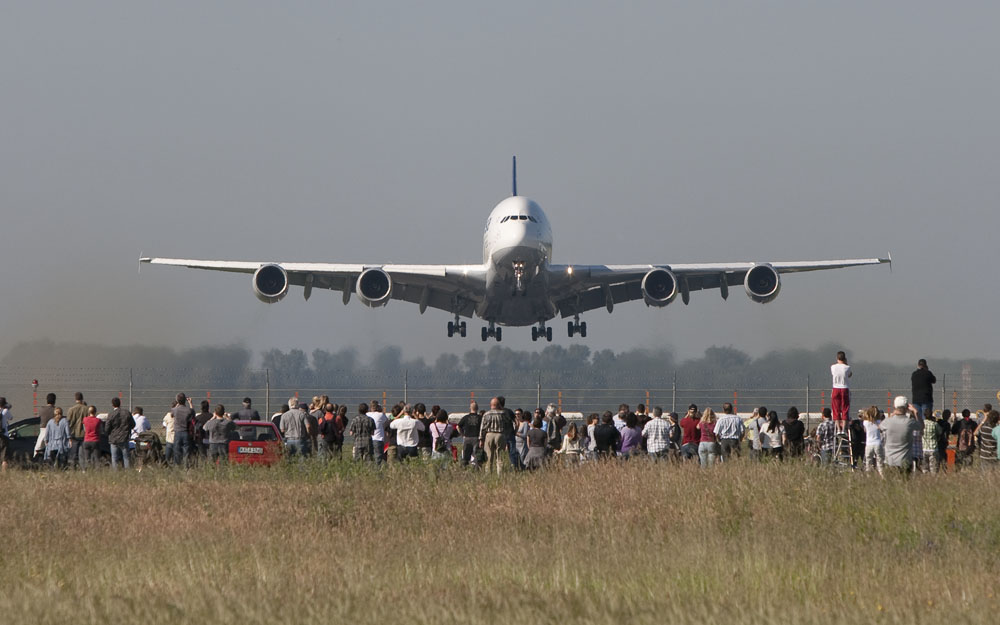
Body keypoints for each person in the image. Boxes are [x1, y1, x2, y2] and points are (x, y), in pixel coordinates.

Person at [882, 396, 923, 475]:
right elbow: (921, 426)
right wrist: (915, 412)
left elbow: (880, 427)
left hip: (890, 461)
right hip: (905, 461)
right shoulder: (909, 422)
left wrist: (893, 414)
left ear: (894, 406)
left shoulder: (888, 422)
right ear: (907, 408)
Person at [478, 397, 513, 475]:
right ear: (499, 405)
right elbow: (509, 424)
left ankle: (488, 474)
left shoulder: (486, 414)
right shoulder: (503, 413)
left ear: (491, 405)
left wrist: (481, 439)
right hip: (500, 435)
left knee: (489, 457)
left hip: (489, 435)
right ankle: (499, 474)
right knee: (499, 457)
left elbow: (482, 428)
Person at [106, 397, 135, 470]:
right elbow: (133, 424)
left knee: (114, 458)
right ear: (120, 403)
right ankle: (127, 471)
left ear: (112, 405)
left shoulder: (111, 414)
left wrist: (110, 433)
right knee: (126, 457)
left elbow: (107, 428)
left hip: (114, 439)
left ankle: (115, 473)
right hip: (124, 438)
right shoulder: (127, 413)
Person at [830, 351, 852, 432]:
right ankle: (843, 429)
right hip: (844, 388)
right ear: (845, 358)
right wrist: (846, 364)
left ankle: (838, 429)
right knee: (845, 409)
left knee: (835, 409)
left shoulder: (833, 367)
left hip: (835, 388)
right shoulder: (847, 367)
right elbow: (850, 375)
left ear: (837, 358)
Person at [172, 393, 195, 467]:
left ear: (177, 401)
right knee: (186, 451)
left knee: (177, 450)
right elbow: (193, 413)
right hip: (186, 432)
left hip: (177, 432)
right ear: (185, 400)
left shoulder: (175, 410)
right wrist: (190, 403)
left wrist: (177, 404)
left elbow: (171, 414)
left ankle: (177, 466)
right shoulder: (188, 410)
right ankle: (186, 466)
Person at [66, 392, 88, 469]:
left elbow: (68, 422)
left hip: (74, 434)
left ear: (75, 399)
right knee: (82, 454)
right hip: (84, 434)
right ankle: (83, 469)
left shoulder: (71, 410)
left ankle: (73, 468)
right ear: (82, 398)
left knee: (73, 453)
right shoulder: (87, 409)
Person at [910, 359, 936, 424]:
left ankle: (919, 432)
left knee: (917, 417)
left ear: (918, 365)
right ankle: (925, 432)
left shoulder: (914, 374)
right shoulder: (928, 373)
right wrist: (927, 370)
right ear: (925, 365)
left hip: (916, 399)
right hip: (926, 399)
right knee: (926, 417)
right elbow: (934, 380)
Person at [861, 406, 885, 476]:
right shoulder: (879, 422)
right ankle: (882, 475)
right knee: (880, 462)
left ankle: (868, 476)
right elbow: (881, 430)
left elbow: (865, 430)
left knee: (868, 462)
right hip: (878, 443)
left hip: (869, 444)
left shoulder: (865, 422)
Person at [457, 401, 482, 467]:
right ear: (477, 408)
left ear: (470, 408)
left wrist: (462, 435)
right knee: (476, 456)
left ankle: (464, 468)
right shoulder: (480, 418)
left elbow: (458, 426)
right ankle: (476, 469)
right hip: (476, 438)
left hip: (467, 438)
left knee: (465, 456)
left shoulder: (466, 417)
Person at [34, 393, 56, 460]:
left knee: (37, 448)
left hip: (43, 430)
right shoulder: (55, 410)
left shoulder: (41, 409)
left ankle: (35, 460)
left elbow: (37, 418)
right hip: (53, 431)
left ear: (47, 400)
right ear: (54, 400)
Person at [367, 401, 389, 465]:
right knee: (378, 457)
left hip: (369, 438)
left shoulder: (367, 414)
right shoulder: (381, 415)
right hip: (378, 438)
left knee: (369, 457)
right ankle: (377, 471)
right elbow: (386, 422)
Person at [0, 398, 10, 470]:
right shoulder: (5, 411)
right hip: (4, 435)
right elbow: (11, 418)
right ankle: (4, 474)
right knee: (4, 458)